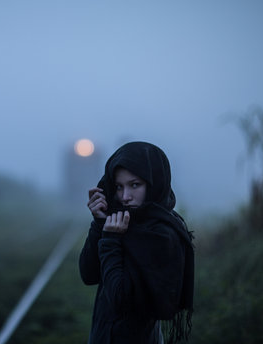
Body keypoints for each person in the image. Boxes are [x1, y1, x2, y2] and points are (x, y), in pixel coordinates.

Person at [79, 141, 194, 344]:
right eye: (118, 187)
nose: (125, 197)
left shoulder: (161, 234)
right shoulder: (122, 220)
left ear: (153, 183)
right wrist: (99, 223)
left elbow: (121, 300)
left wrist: (111, 241)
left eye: (134, 185)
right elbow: (89, 274)